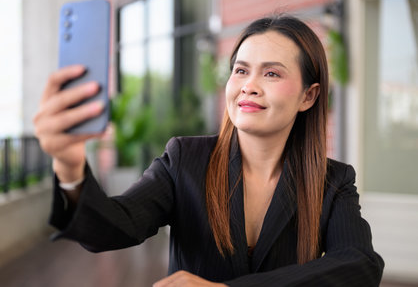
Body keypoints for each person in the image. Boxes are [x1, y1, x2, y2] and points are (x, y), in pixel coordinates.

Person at [33, 14, 384, 286]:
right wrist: (68, 164)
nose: (249, 86)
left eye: (272, 74)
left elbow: (358, 264)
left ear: (308, 96)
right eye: (240, 70)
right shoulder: (185, 160)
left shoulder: (333, 181)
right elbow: (111, 228)